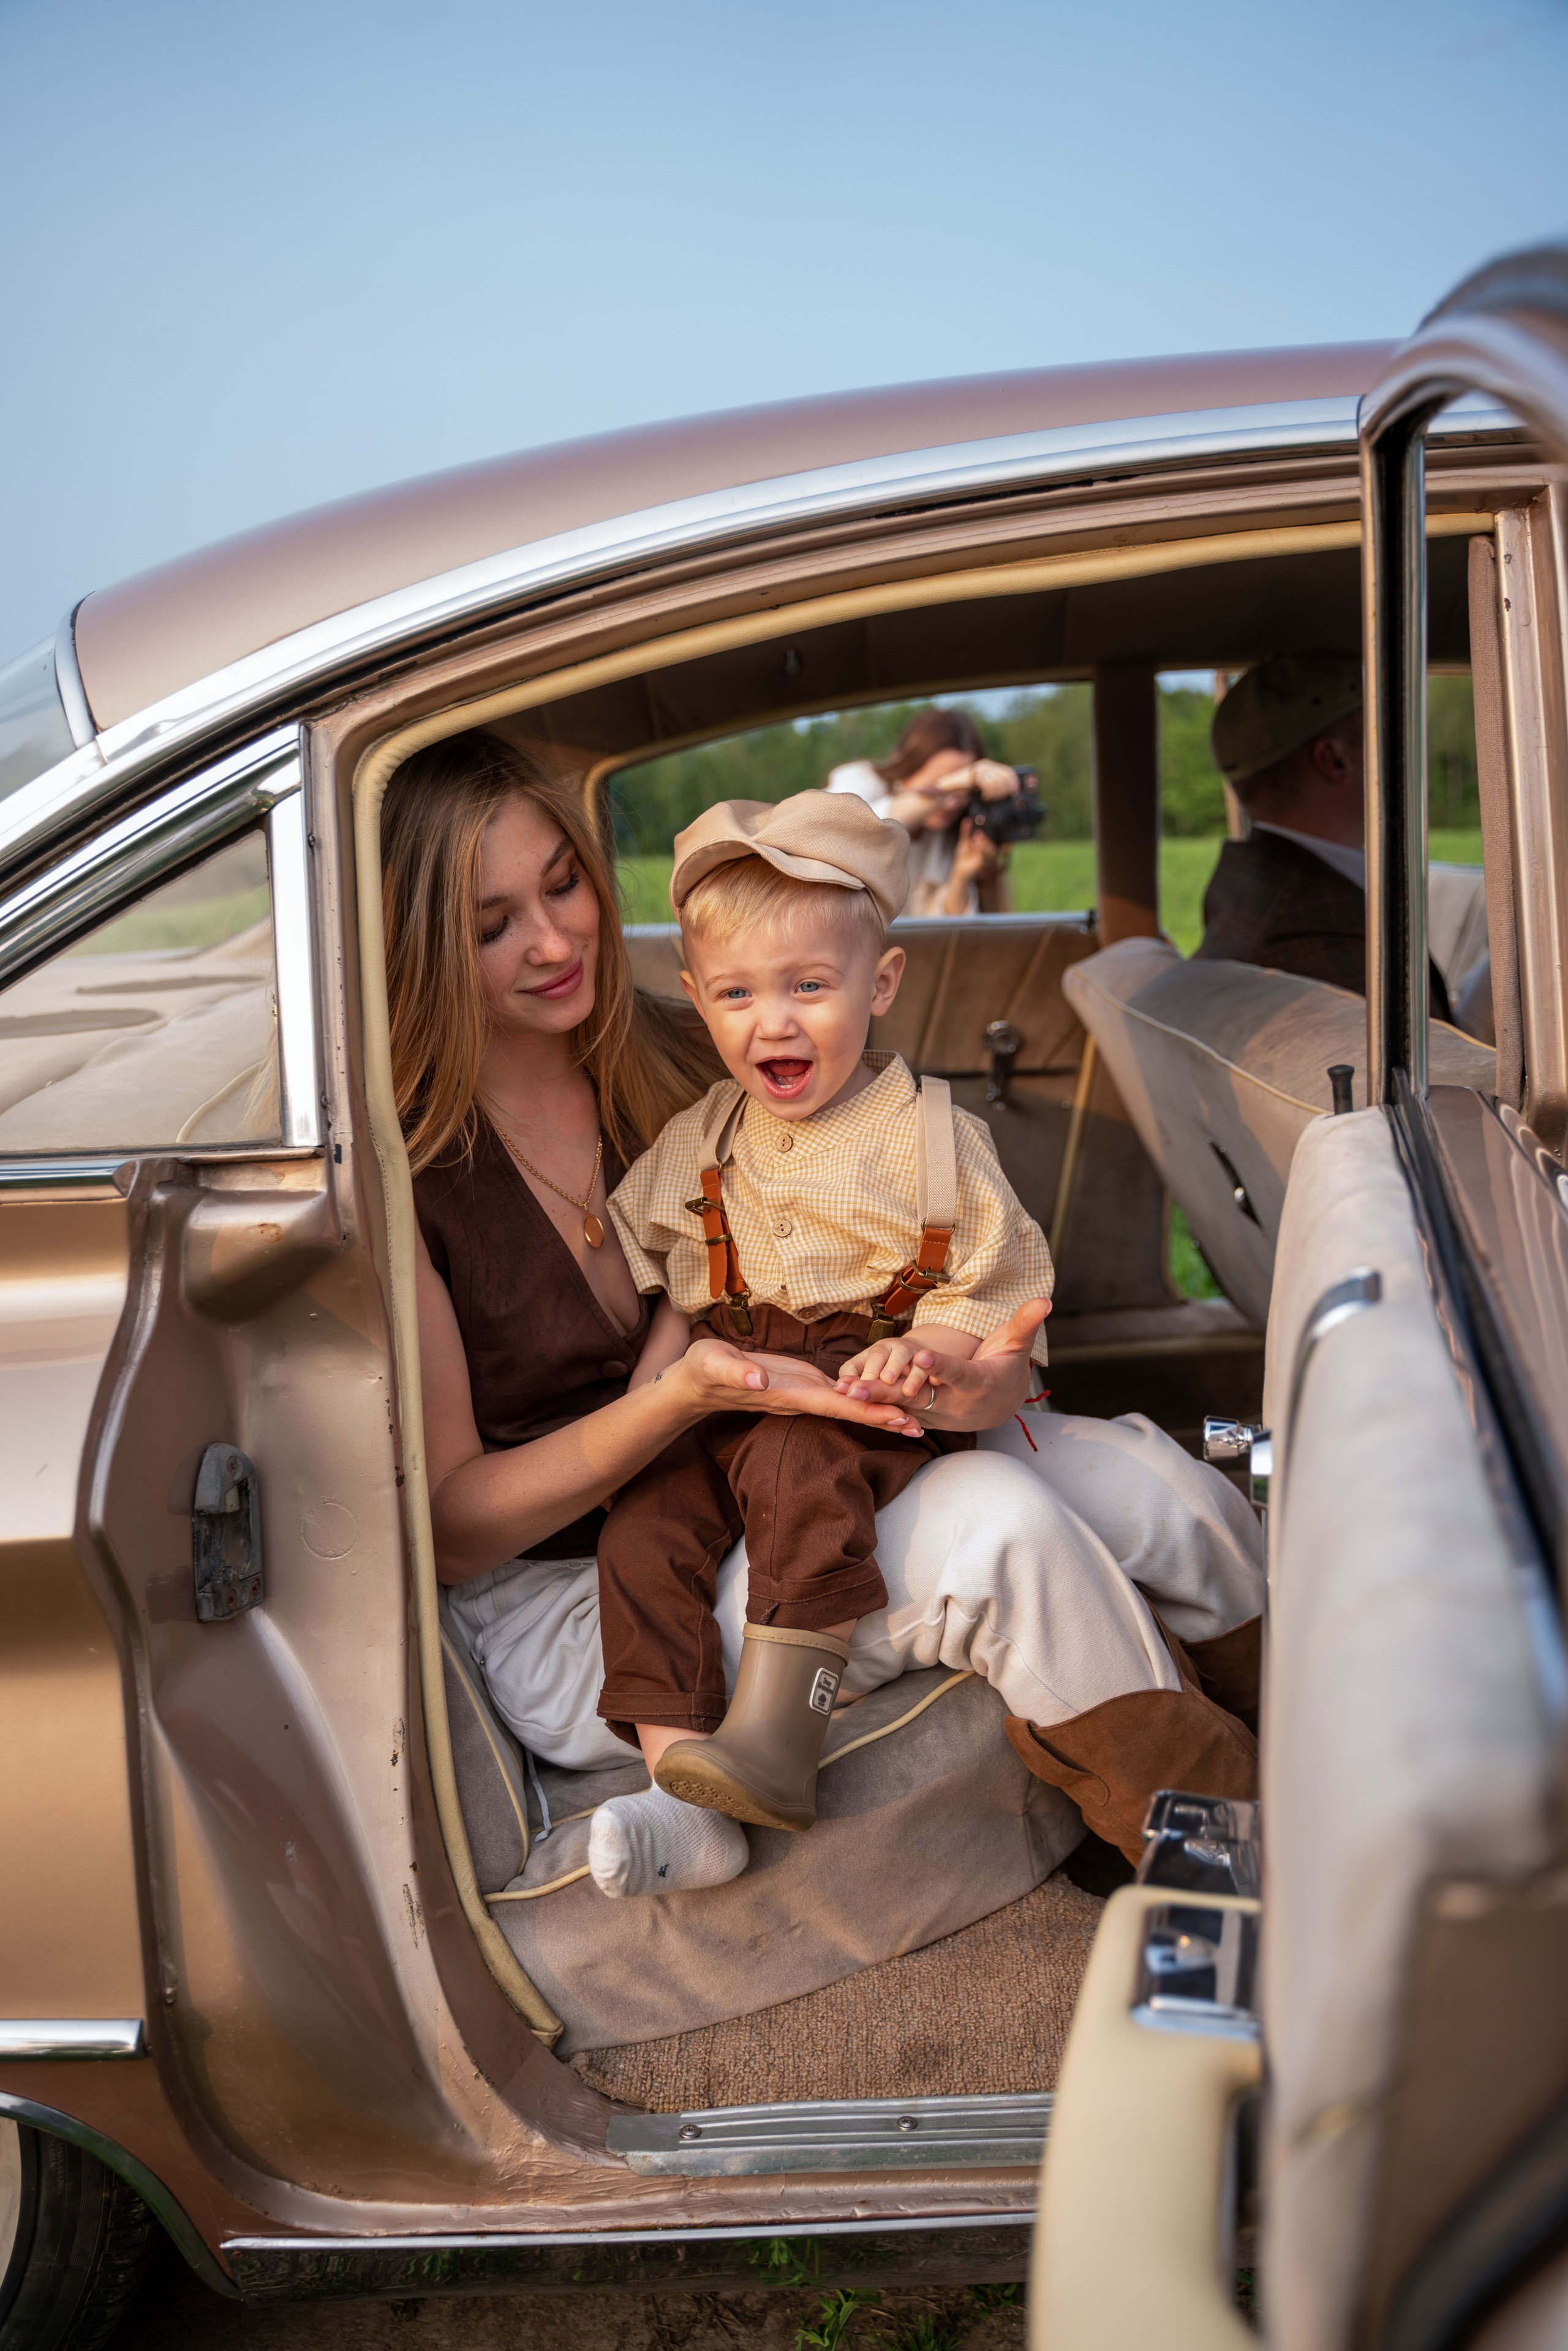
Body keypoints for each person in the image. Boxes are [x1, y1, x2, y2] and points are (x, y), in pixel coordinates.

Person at [388, 731, 1264, 1913]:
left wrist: (977, 1381)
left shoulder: (685, 1048)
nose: (553, 941)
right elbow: (453, 1528)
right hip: (588, 1589)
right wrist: (683, 1395)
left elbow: (911, 1242)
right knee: (996, 1526)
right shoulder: (412, 1180)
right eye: (494, 924)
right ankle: (1230, 1869)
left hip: (778, 1449)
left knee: (1162, 1483)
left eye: (563, 885)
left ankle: (1326, 1742)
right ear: (426, 947)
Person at [594, 791, 1055, 1879]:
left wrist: (926, 1355)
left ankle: (777, 1738)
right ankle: (680, 1776)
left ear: (879, 984)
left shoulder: (933, 1137)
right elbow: (674, 1300)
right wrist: (640, 1420)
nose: (776, 1023)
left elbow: (982, 1291)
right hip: (736, 1386)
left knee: (802, 1474)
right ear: (698, 1000)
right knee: (641, 1527)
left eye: (811, 985)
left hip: (863, 1394)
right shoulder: (699, 1140)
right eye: (740, 994)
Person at [1196, 653, 1453, 1021]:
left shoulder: (1244, 889)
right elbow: (1437, 1071)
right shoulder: (1320, 927)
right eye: (1384, 735)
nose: (1404, 753)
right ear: (1334, 760)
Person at [827, 706, 1021, 916]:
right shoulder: (862, 780)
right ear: (905, 768)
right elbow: (834, 830)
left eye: (962, 792)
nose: (951, 804)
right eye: (937, 782)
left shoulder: (955, 836)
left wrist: (961, 876)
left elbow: (945, 937)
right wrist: (948, 786)